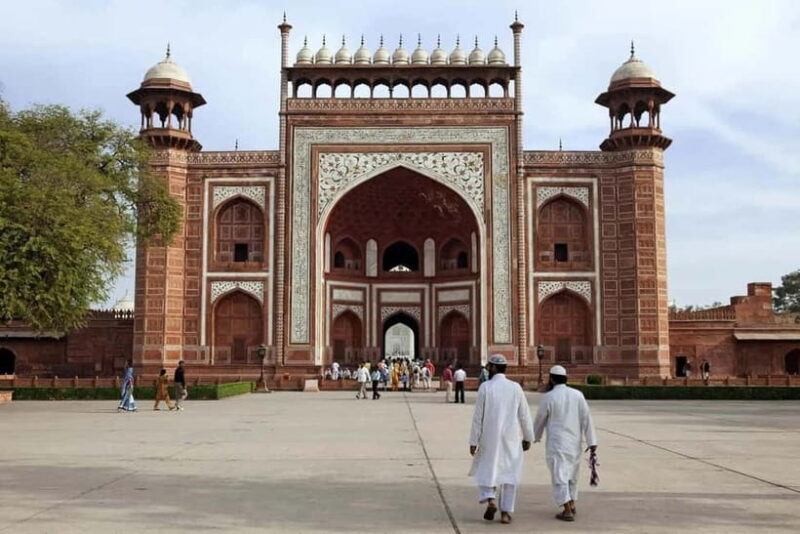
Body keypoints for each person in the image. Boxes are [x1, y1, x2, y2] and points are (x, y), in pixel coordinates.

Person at [469, 354, 534, 524]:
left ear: (493, 368)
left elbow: (478, 417)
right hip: (511, 438)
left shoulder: (485, 387)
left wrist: (473, 441)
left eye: (489, 366)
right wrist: (528, 437)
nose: (487, 369)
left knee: (487, 469)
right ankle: (505, 513)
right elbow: (525, 415)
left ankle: (490, 499)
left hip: (489, 438)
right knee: (509, 474)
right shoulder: (515, 387)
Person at [534, 365, 597, 522]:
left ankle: (567, 509)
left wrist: (533, 437)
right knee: (572, 475)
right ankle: (572, 503)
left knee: (559, 476)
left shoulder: (549, 397)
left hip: (557, 443)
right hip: (574, 442)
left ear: (552, 379)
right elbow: (586, 419)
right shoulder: (577, 395)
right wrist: (592, 441)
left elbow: (540, 419)